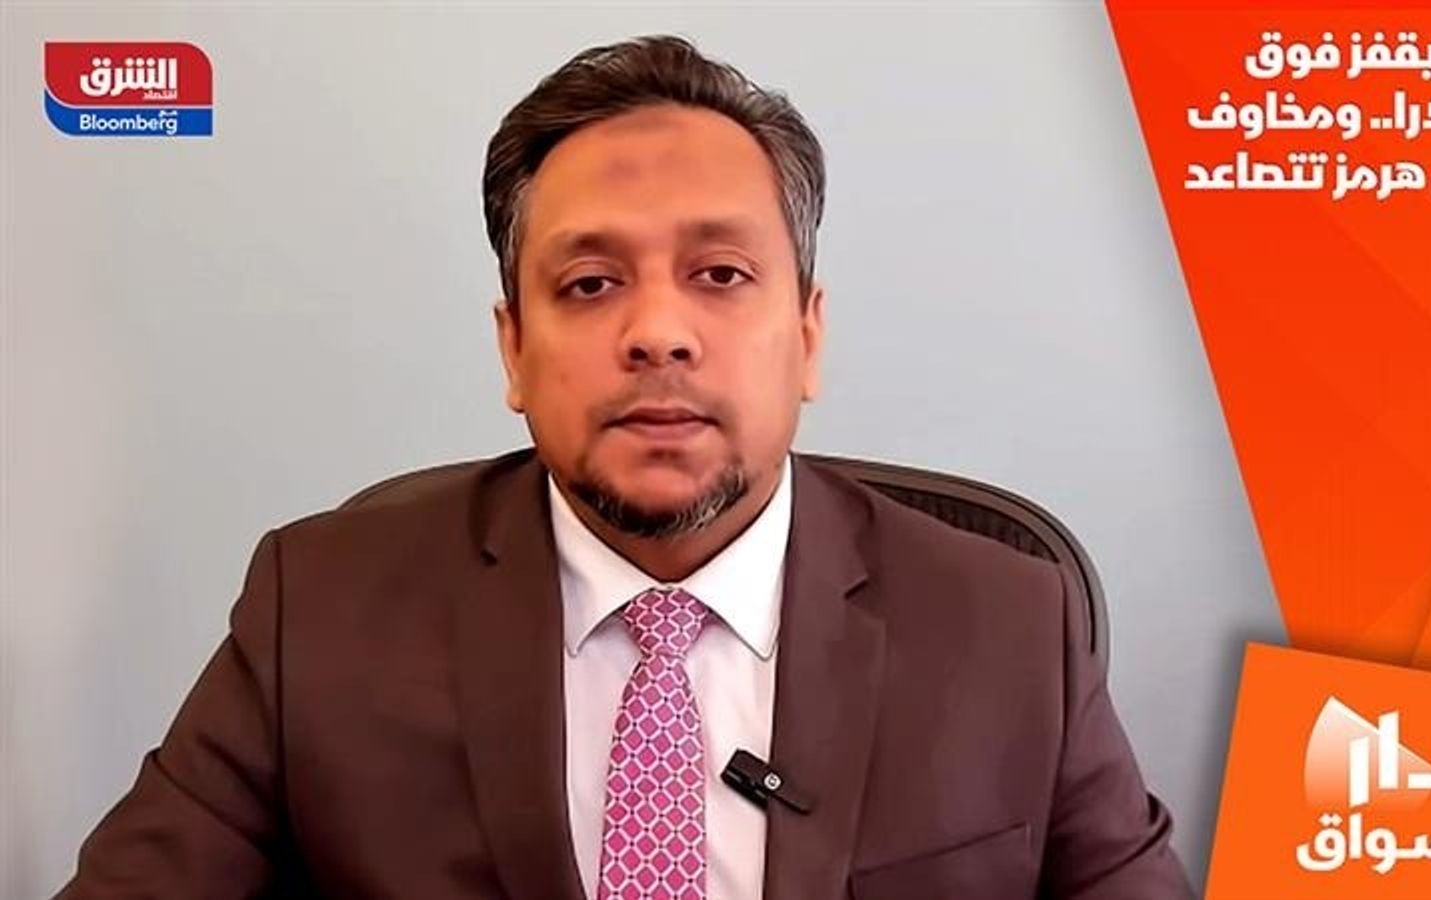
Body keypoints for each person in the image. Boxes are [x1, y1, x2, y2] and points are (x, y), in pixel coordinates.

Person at [58, 35, 1194, 900]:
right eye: (591, 284)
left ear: (807, 335)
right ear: (513, 348)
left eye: (720, 275)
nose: (658, 334)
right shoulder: (320, 609)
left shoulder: (1010, 626)